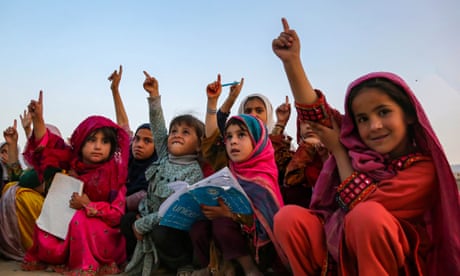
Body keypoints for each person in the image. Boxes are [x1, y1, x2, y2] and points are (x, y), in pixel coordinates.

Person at [272, 18, 460, 275]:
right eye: (362, 119)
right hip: (340, 241)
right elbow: (317, 115)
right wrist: (292, 62)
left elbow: (361, 205)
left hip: (394, 262)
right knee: (288, 218)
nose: (374, 126)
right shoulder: (356, 147)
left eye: (383, 112)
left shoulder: (423, 170)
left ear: (408, 115)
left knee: (366, 216)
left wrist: (338, 152)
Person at [21, 90, 130, 275]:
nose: (97, 146)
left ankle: (86, 264)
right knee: (46, 221)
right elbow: (48, 148)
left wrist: (89, 206)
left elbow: (118, 215)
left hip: (103, 233)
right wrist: (38, 119)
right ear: (80, 143)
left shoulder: (115, 174)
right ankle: (62, 257)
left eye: (104, 142)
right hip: (67, 226)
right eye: (91, 140)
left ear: (112, 147)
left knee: (81, 219)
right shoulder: (72, 162)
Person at [123, 71, 205, 276]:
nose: (177, 134)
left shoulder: (195, 172)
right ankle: (153, 261)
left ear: (198, 146)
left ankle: (181, 264)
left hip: (174, 227)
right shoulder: (163, 156)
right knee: (127, 221)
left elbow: (175, 211)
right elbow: (158, 125)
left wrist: (145, 222)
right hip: (149, 214)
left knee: (161, 232)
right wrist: (154, 96)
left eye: (185, 132)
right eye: (174, 131)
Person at [190, 114, 285, 276]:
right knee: (198, 226)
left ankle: (250, 269)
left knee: (222, 223)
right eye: (229, 136)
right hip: (233, 239)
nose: (233, 141)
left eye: (241, 135)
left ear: (257, 140)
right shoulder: (228, 170)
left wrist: (230, 214)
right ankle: (217, 266)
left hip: (260, 246)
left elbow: (266, 225)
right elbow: (211, 145)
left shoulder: (262, 180)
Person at [201, 74, 276, 172]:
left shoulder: (278, 148)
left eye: (259, 110)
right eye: (248, 111)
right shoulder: (231, 159)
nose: (253, 114)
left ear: (269, 114)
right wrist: (213, 101)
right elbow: (213, 139)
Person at [271, 96, 329, 208]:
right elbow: (272, 161)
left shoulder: (338, 157)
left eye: (316, 121)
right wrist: (281, 123)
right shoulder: (294, 158)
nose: (309, 126)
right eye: (304, 122)